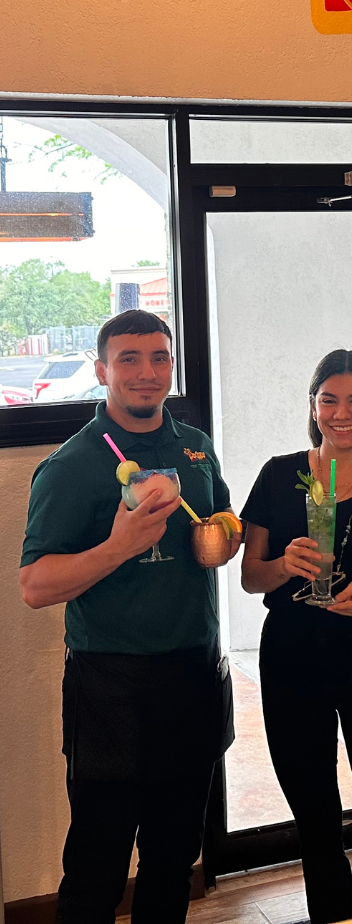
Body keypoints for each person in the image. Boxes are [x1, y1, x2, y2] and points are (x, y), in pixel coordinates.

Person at [20, 309, 240, 924]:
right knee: (97, 870)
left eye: (159, 358)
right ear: (102, 370)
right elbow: (34, 586)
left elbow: (220, 521)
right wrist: (118, 546)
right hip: (110, 688)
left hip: (193, 675)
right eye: (129, 359)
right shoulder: (72, 465)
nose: (147, 372)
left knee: (174, 862)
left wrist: (225, 537)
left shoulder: (195, 447)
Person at [240, 350, 352, 920]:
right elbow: (250, 577)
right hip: (291, 655)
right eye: (329, 400)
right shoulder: (279, 474)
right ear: (313, 407)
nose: (342, 413)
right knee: (315, 819)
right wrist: (282, 566)